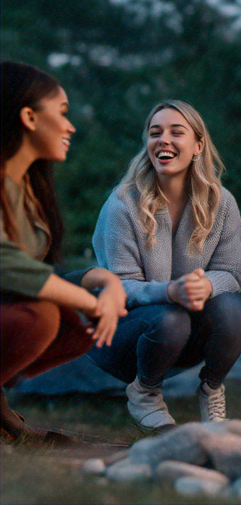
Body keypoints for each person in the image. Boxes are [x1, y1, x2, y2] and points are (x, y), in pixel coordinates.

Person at [89, 100, 241, 431]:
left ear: (198, 146)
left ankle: (211, 388)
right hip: (123, 334)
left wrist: (205, 286)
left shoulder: (222, 203)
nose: (163, 140)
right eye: (154, 133)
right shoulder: (122, 203)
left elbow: (233, 273)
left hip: (185, 334)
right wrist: (171, 291)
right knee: (170, 316)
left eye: (177, 132)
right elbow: (117, 285)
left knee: (233, 310)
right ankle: (144, 392)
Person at [0, 61, 128, 446]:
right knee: (38, 315)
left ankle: (5, 419)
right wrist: (83, 298)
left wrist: (104, 282)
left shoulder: (27, 192)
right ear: (29, 116)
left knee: (76, 319)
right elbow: (4, 265)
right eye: (63, 113)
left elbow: (32, 275)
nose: (70, 126)